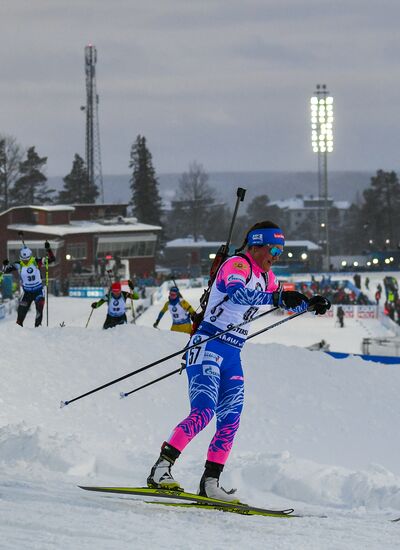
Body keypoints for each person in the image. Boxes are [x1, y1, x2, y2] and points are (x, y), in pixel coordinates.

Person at [147, 221, 331, 501]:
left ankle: (210, 482)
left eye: (281, 250)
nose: (277, 256)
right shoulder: (238, 265)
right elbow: (239, 294)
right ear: (257, 245)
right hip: (207, 344)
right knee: (204, 412)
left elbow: (281, 299)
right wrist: (278, 297)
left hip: (233, 352)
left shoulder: (268, 278)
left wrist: (309, 303)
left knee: (230, 420)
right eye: (274, 249)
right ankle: (161, 469)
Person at [2, 242, 55, 327]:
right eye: (23, 259)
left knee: (39, 310)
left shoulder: (36, 261)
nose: (25, 261)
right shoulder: (19, 264)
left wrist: (48, 249)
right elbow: (6, 270)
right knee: (21, 313)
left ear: (30, 256)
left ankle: (38, 328)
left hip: (38, 291)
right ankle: (18, 331)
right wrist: (5, 265)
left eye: (27, 259)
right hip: (27, 293)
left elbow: (52, 260)